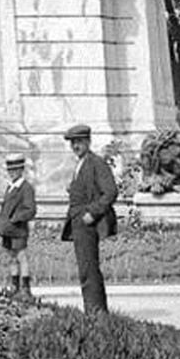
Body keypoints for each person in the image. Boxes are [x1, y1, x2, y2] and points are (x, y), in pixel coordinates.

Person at [60, 123, 118, 313]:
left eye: (79, 142)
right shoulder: (81, 163)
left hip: (87, 223)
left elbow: (110, 192)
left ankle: (96, 312)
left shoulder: (96, 163)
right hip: (77, 223)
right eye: (73, 143)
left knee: (89, 269)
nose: (75, 146)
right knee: (85, 269)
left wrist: (92, 213)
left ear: (88, 141)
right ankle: (92, 310)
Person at [0, 153, 38, 296]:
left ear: (21, 170)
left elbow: (31, 210)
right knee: (11, 257)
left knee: (21, 257)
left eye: (15, 170)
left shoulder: (26, 188)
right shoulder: (10, 186)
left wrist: (15, 218)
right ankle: (15, 285)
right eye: (9, 170)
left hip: (18, 229)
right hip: (8, 229)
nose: (11, 173)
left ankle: (25, 287)